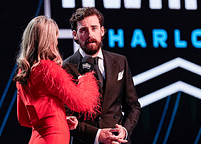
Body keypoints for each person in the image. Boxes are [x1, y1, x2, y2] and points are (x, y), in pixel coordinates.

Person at [14, 15, 101, 144]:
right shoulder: (49, 69)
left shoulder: (22, 72)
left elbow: (24, 119)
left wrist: (59, 118)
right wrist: (86, 80)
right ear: (49, 39)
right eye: (55, 36)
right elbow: (82, 103)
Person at [63, 7, 141, 144]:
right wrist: (98, 135)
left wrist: (125, 130)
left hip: (118, 141)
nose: (90, 34)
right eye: (83, 30)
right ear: (75, 35)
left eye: (94, 28)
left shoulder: (120, 61)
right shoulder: (66, 68)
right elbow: (66, 116)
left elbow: (133, 105)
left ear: (102, 31)